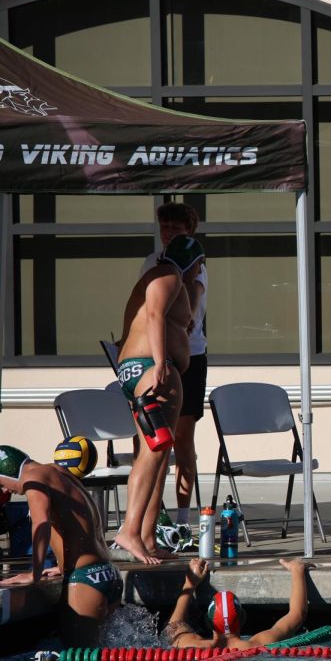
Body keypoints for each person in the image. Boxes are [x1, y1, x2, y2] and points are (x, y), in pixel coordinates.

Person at [113, 234, 204, 564]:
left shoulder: (173, 281)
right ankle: (130, 530)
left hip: (141, 367)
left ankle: (148, 535)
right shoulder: (167, 275)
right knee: (152, 454)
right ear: (192, 262)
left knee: (159, 452)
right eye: (199, 266)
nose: (200, 272)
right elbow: (153, 316)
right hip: (151, 368)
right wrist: (161, 363)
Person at [0, 446, 122, 648]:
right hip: (108, 573)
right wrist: (62, 564)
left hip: (85, 582)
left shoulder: (34, 480)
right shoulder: (59, 472)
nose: (5, 490)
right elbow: (83, 520)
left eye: (1, 483)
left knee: (78, 654)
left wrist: (35, 573)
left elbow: (41, 524)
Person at [139, 202, 208, 539]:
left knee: (182, 440)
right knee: (153, 444)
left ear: (188, 231)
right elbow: (146, 311)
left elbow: (193, 297)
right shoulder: (153, 263)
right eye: (164, 227)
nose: (168, 233)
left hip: (190, 360)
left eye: (176, 229)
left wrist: (187, 312)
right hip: (155, 362)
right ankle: (150, 522)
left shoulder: (193, 262)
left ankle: (182, 518)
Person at [163, 557, 312, 648]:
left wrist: (189, 585)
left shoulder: (192, 646)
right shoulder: (260, 644)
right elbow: (298, 614)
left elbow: (173, 628)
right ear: (243, 618)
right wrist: (297, 570)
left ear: (207, 622)